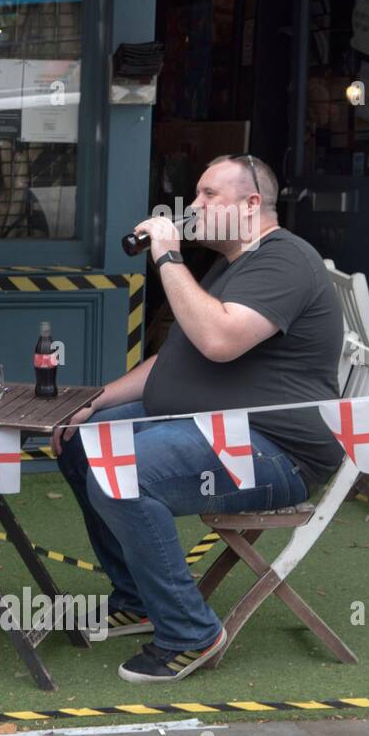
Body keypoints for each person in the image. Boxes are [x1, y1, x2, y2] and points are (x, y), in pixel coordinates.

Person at [52, 154, 344, 683]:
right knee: (83, 440)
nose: (194, 205)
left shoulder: (285, 261)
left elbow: (219, 339)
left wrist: (167, 256)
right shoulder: (232, 263)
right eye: (197, 193)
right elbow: (176, 357)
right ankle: (138, 599)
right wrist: (95, 401)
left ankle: (190, 632)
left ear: (252, 204)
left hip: (276, 451)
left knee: (125, 472)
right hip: (218, 426)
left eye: (210, 194)